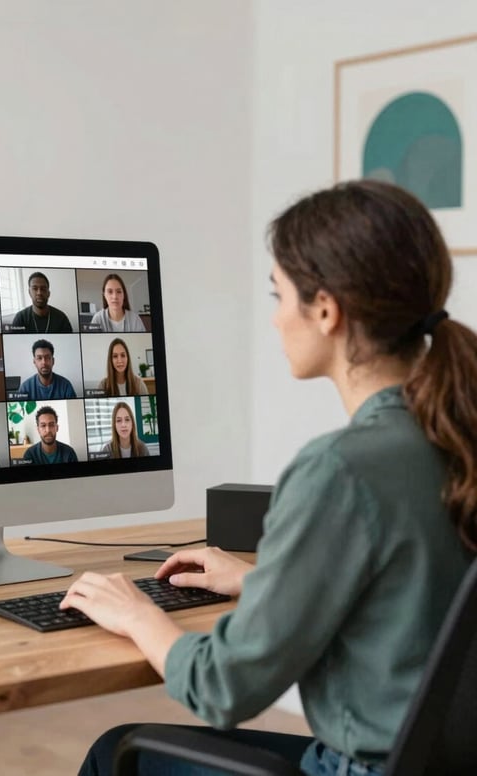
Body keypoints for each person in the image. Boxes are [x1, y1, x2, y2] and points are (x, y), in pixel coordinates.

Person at [62, 180, 477, 776]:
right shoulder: (457, 433)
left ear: (327, 311)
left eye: (279, 294)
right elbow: (406, 606)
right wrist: (266, 584)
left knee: (115, 752)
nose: (277, 318)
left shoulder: (340, 469)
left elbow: (223, 688)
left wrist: (137, 614)